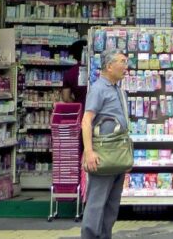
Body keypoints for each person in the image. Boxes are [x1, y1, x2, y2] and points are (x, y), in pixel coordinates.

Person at [81, 49, 129, 239]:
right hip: (102, 155)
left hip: (117, 154)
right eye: (122, 62)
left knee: (111, 205)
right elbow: (86, 121)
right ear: (109, 66)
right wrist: (89, 152)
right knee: (96, 203)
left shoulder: (118, 90)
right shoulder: (98, 89)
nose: (126, 66)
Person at [62, 39, 88, 104]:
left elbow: (66, 98)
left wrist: (78, 105)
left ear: (73, 56)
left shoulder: (69, 73)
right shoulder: (96, 70)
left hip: (80, 110)